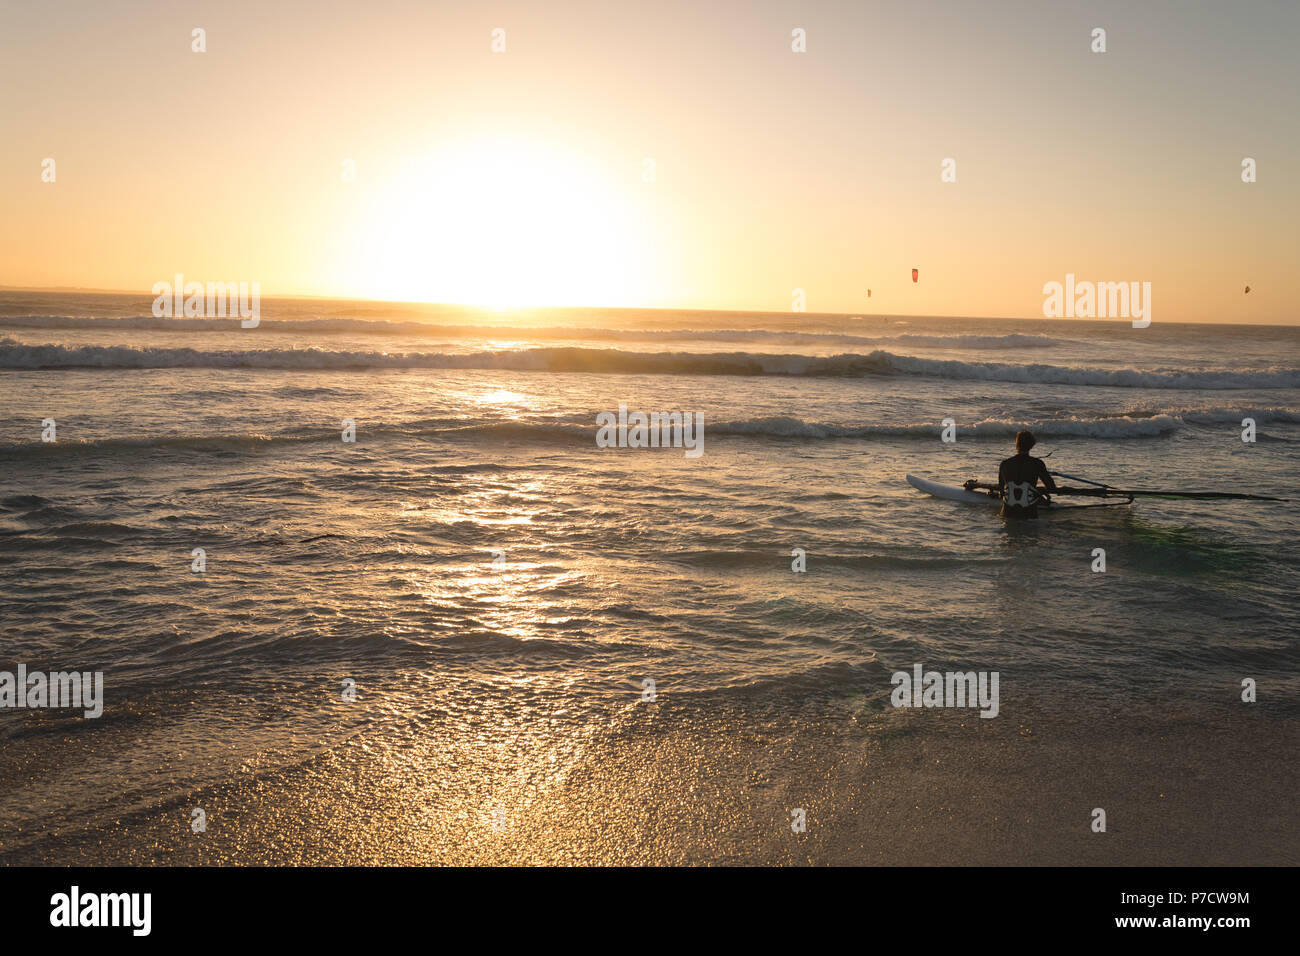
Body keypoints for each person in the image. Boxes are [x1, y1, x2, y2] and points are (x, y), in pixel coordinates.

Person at [996, 430, 1057, 519]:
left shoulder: (1004, 464)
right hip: (1028, 513)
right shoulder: (1037, 464)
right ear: (1032, 445)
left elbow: (1001, 491)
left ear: (1017, 444)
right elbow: (1051, 488)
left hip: (1007, 513)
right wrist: (1036, 491)